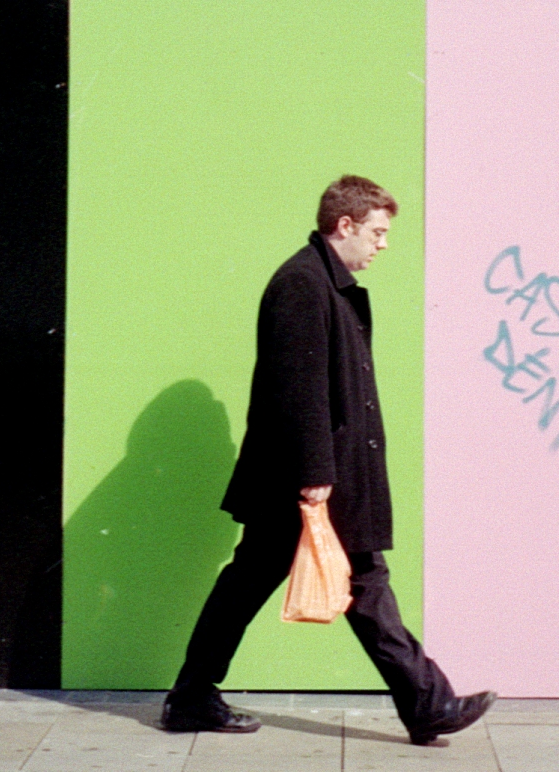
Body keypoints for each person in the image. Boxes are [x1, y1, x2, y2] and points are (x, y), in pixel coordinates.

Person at [161, 175, 496, 745]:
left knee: (285, 582)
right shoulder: (303, 283)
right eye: (377, 232)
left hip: (317, 474)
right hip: (310, 478)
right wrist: (316, 474)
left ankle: (194, 696)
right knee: (352, 582)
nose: (383, 244)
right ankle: (427, 704)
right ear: (345, 225)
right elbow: (300, 389)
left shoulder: (323, 281)